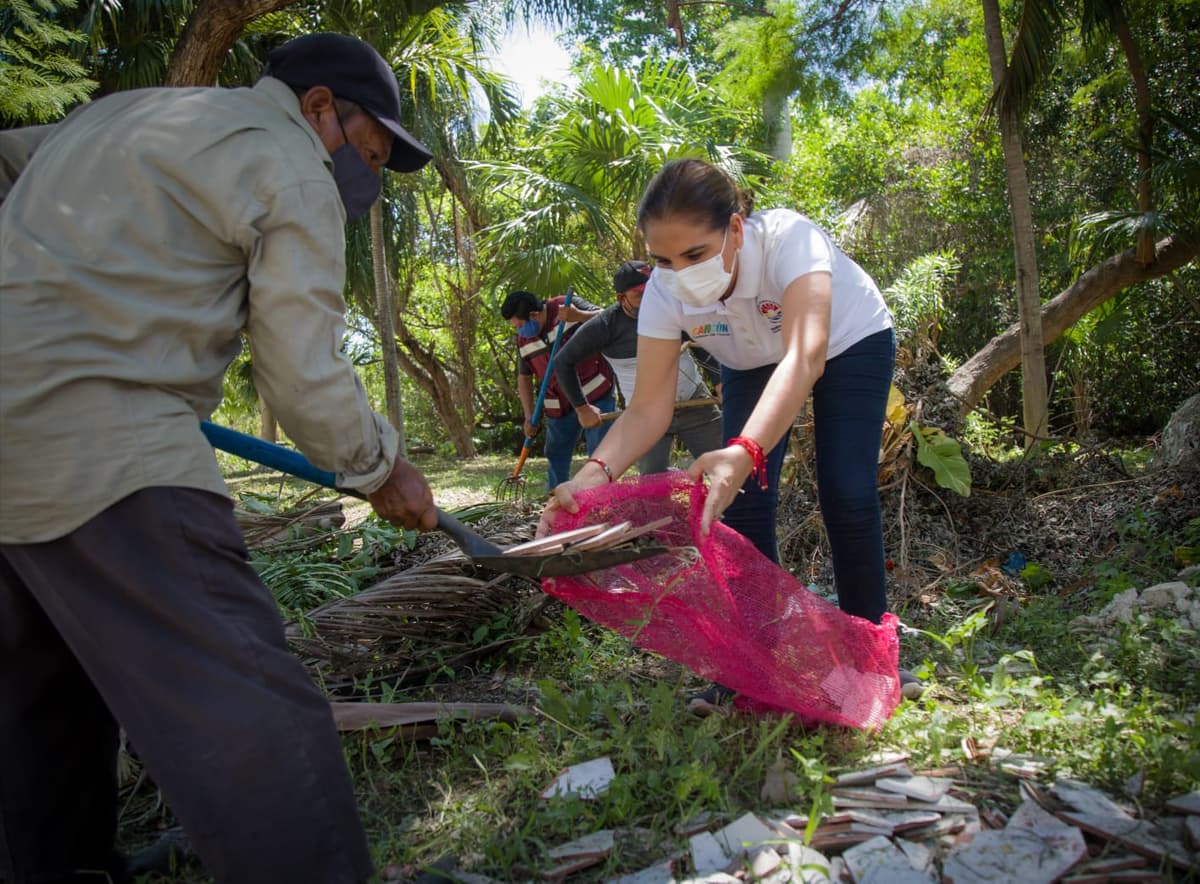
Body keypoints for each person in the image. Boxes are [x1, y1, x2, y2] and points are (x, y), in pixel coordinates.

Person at [0, 33, 439, 883]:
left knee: (39, 689)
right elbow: (301, 370)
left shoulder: (126, 114)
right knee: (245, 699)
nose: (366, 180)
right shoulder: (290, 161)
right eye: (368, 152)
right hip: (110, 443)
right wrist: (383, 467)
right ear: (319, 107)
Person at [540, 158, 921, 701]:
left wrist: (744, 447)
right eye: (662, 260)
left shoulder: (791, 241)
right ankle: (753, 666)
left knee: (846, 489)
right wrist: (590, 477)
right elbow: (649, 408)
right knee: (739, 504)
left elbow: (805, 356)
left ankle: (874, 661)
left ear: (735, 230)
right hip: (751, 360)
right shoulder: (664, 295)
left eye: (695, 254)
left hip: (844, 341)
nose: (680, 272)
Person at [554, 260, 723, 475]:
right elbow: (562, 362)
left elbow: (701, 345)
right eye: (639, 294)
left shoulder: (673, 308)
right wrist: (582, 408)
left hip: (694, 403)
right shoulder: (605, 325)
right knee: (653, 486)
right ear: (620, 298)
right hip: (644, 416)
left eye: (653, 290)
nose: (650, 299)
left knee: (724, 471)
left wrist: (720, 383)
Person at [500, 289, 616, 491]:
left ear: (534, 315)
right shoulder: (524, 341)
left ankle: (601, 499)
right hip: (558, 406)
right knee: (556, 454)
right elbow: (524, 378)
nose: (519, 331)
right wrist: (528, 416)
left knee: (599, 453)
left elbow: (610, 318)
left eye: (520, 325)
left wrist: (579, 316)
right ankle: (555, 499)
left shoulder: (566, 305)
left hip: (594, 396)